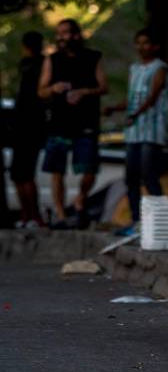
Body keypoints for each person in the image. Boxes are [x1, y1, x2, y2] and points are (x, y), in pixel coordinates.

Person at [38, 19, 107, 229]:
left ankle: (80, 199)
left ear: (76, 35)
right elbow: (41, 91)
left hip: (86, 121)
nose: (61, 37)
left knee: (89, 168)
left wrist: (84, 92)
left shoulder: (93, 57)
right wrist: (53, 89)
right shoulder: (52, 59)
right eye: (59, 33)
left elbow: (104, 87)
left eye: (66, 33)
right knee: (56, 169)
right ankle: (60, 214)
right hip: (59, 122)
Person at [105, 29, 168, 233]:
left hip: (152, 130)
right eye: (139, 43)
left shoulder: (161, 68)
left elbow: (153, 96)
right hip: (134, 132)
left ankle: (163, 221)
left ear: (155, 46)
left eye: (146, 43)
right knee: (131, 177)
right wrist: (115, 108)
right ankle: (136, 221)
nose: (142, 47)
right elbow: (133, 99)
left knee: (149, 175)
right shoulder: (134, 69)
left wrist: (136, 113)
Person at [10, 31, 47, 228]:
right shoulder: (26, 65)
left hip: (30, 126)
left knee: (25, 173)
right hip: (21, 125)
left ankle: (34, 215)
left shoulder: (41, 65)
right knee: (18, 173)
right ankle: (27, 215)